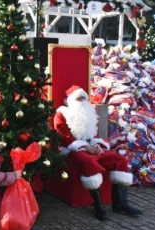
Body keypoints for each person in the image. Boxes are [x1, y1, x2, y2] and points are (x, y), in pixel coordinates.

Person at [53, 85, 142, 221]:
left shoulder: (89, 114)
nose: (82, 101)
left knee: (120, 160)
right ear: (69, 101)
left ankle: (120, 204)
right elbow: (62, 137)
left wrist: (97, 145)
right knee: (89, 162)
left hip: (91, 146)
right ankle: (98, 205)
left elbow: (93, 135)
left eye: (84, 98)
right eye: (78, 98)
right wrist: (85, 147)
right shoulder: (61, 114)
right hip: (73, 149)